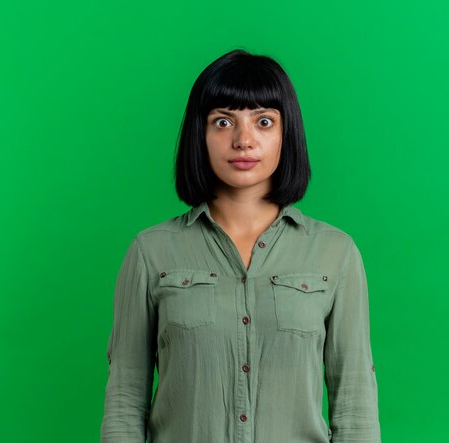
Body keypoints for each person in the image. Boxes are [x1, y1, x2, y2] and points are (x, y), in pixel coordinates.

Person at [100, 48, 381, 443]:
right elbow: (126, 400)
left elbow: (355, 406)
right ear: (200, 133)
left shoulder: (335, 253)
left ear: (287, 134)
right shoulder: (151, 252)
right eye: (223, 121)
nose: (243, 140)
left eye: (264, 121)